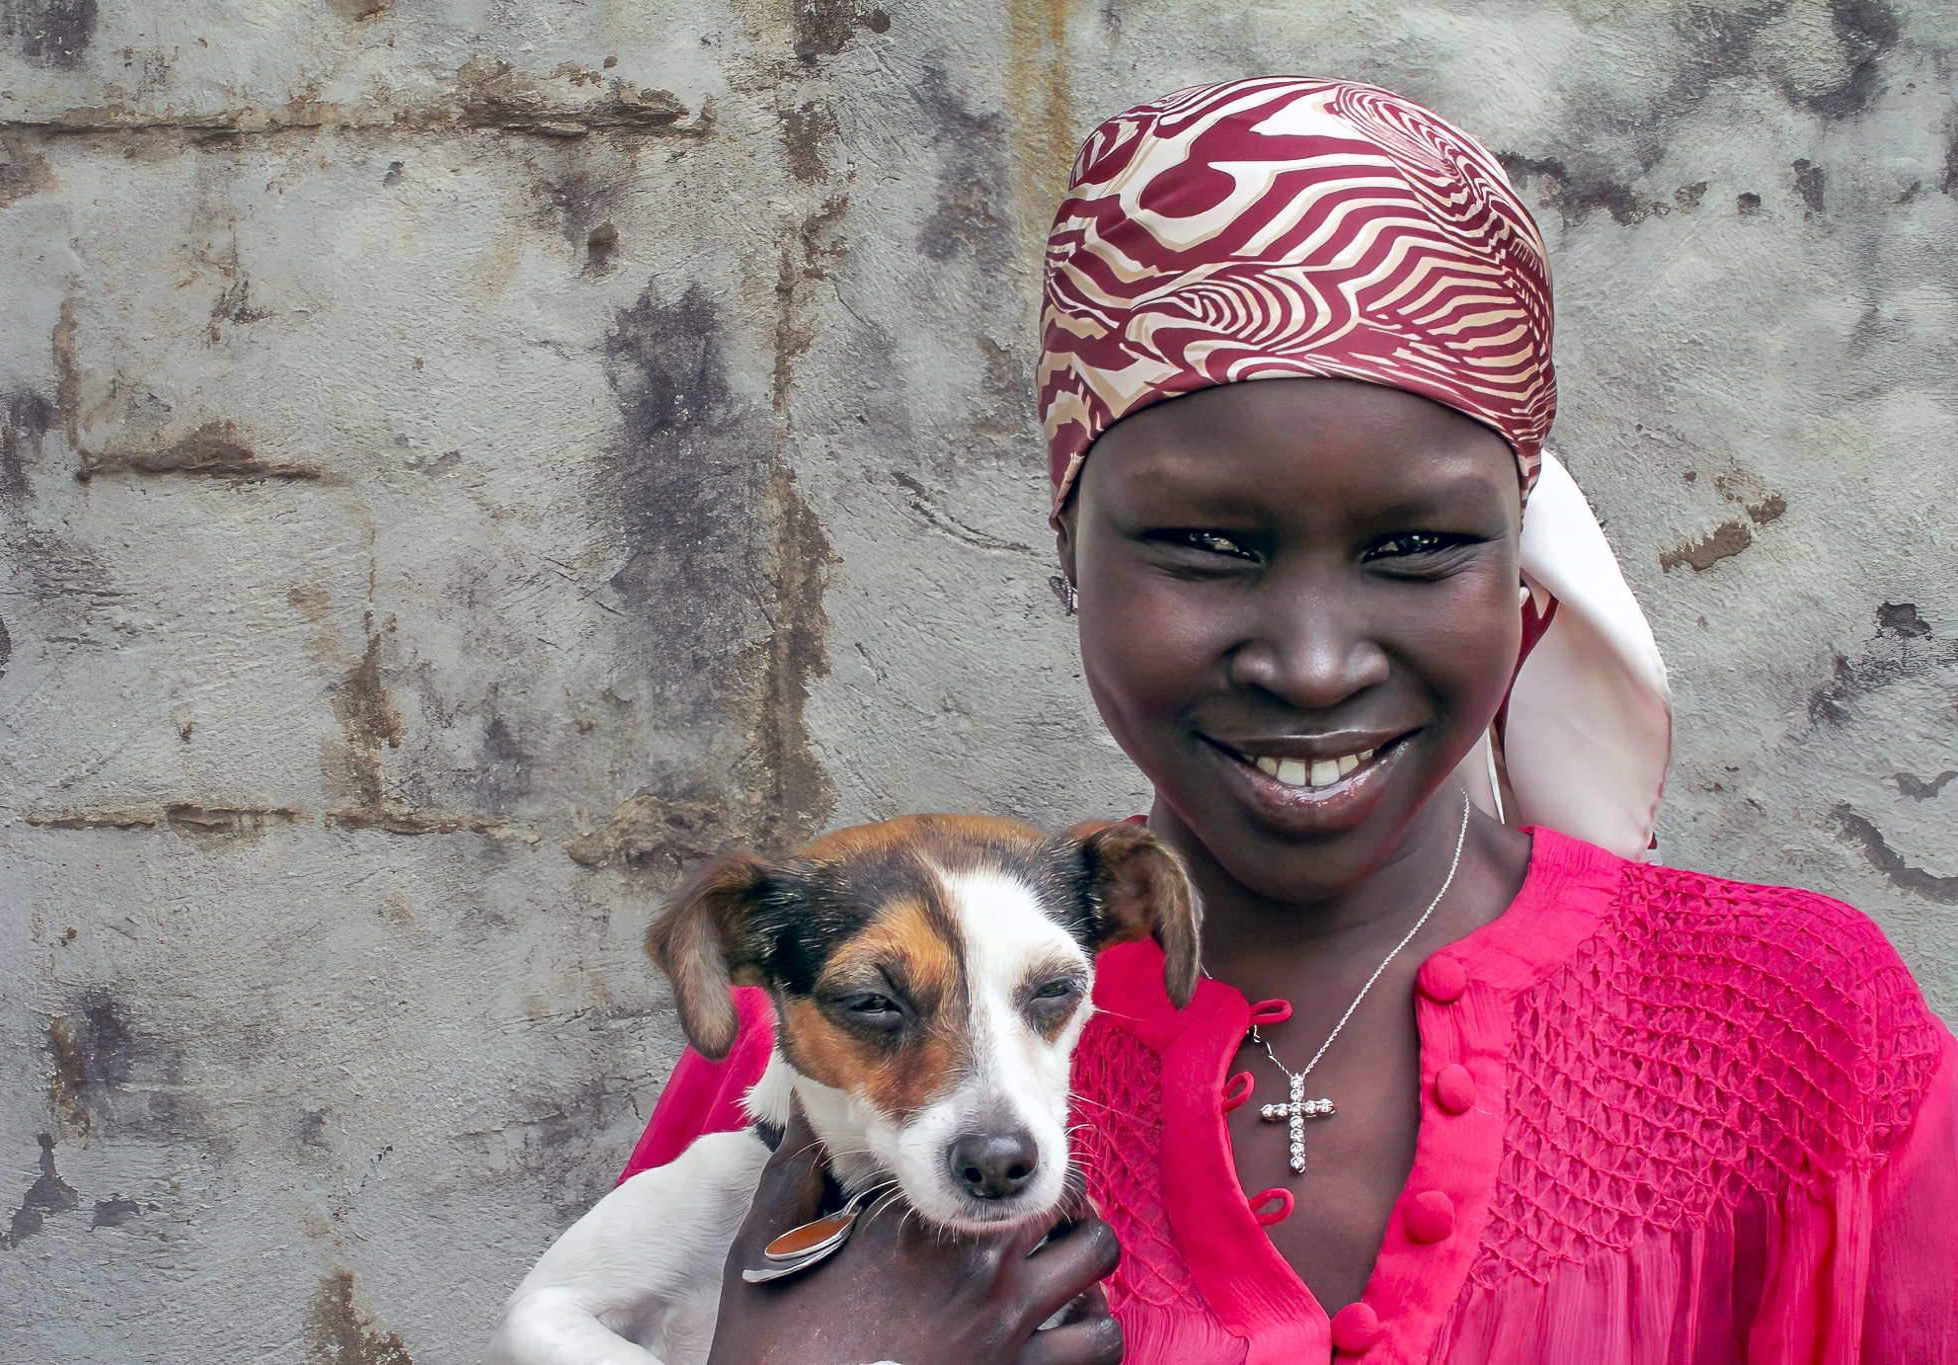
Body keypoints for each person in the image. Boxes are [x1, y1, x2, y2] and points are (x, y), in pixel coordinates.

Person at [619, 78, 1958, 1363]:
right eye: (1205, 542)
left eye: (1419, 546)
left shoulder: (1800, 1033)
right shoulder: (832, 1037)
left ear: (1524, 593)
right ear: (1073, 564)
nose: (1314, 663)